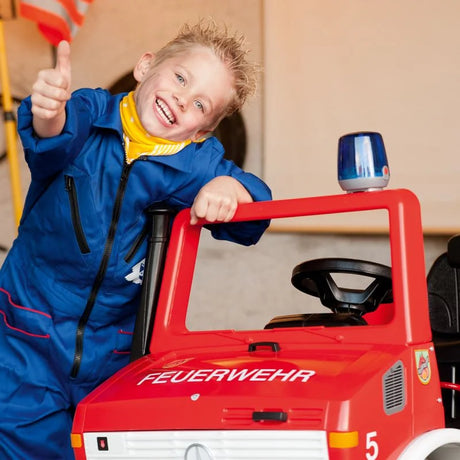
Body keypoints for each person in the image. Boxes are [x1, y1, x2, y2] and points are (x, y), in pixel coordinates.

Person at [0, 20, 271, 459]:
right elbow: (53, 134)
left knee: (101, 446)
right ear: (145, 66)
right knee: (17, 440)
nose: (183, 98)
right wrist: (49, 112)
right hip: (26, 328)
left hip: (113, 352)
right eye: (180, 78)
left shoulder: (196, 162)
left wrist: (231, 192)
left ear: (202, 130)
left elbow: (254, 210)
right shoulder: (89, 114)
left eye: (200, 103)